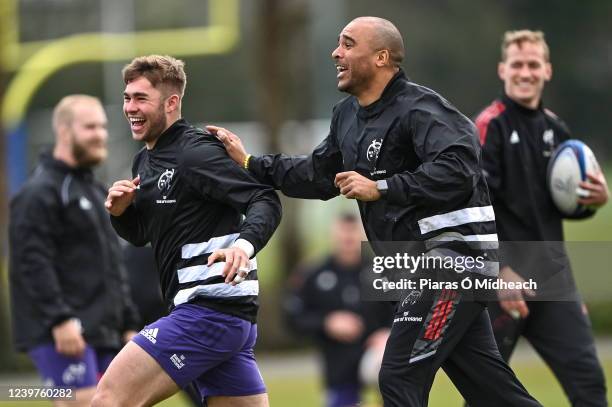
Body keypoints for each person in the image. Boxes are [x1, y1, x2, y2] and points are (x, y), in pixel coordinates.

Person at [208, 16, 541, 407]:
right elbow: (317, 176)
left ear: (382, 57)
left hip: (455, 261)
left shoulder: (423, 109)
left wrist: (381, 187)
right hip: (418, 268)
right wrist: (249, 162)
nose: (336, 52)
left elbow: (459, 169)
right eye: (337, 44)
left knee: (398, 375)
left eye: (348, 44)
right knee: (493, 393)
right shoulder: (347, 117)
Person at [92, 55, 281, 407]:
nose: (130, 108)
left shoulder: (195, 153)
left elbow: (263, 199)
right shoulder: (144, 160)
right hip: (225, 320)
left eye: (141, 99)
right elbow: (143, 234)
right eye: (127, 97)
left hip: (207, 313)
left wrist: (244, 245)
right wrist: (121, 214)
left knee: (108, 398)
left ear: (172, 102)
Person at [474, 30, 608, 406]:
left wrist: (594, 200)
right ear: (503, 69)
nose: (525, 72)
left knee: (590, 385)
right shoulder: (489, 126)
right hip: (502, 284)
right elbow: (473, 207)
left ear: (547, 70)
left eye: (533, 64)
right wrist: (499, 270)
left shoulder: (556, 129)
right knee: (485, 393)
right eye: (517, 64)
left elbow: (559, 204)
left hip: (552, 281)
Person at [8, 95, 141, 407]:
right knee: (82, 402)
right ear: (65, 132)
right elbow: (31, 261)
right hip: (62, 332)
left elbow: (111, 264)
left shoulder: (95, 191)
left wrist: (128, 322)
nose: (101, 135)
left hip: (104, 332)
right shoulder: (40, 193)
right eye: (91, 127)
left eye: (103, 127)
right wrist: (60, 320)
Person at [284, 213, 392, 407]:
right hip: (338, 367)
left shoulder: (382, 270)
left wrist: (390, 333)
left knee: (395, 387)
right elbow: (292, 318)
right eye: (343, 232)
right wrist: (326, 322)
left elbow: (407, 309)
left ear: (363, 234)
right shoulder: (314, 274)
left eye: (353, 233)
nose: (347, 238)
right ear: (332, 235)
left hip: (378, 358)